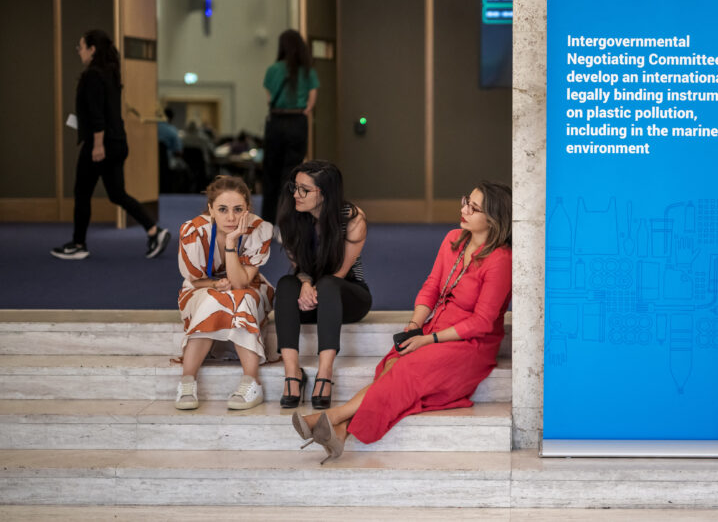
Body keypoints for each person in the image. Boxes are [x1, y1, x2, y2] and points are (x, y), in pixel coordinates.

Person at [292, 181, 512, 464]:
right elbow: (432, 286)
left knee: (405, 370)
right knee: (393, 364)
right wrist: (415, 325)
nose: (464, 209)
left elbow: (482, 322)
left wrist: (428, 340)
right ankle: (341, 431)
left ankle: (332, 417)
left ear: (494, 219)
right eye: (466, 200)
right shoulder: (454, 239)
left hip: (470, 344)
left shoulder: (500, 259)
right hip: (435, 328)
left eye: (474, 207)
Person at [51, 29, 171, 261]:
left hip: (101, 145)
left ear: (92, 49)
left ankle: (78, 244)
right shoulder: (110, 74)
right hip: (117, 142)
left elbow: (97, 116)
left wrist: (96, 145)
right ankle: (154, 231)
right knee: (117, 194)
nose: (78, 52)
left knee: (82, 192)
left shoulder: (93, 76)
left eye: (80, 47)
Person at [274, 160, 372, 410]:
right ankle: (292, 373)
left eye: (304, 190)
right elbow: (299, 268)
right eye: (295, 187)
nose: (296, 194)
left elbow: (340, 272)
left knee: (328, 284)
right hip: (313, 298)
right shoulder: (291, 217)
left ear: (325, 192)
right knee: (286, 284)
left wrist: (313, 287)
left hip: (347, 296)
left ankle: (325, 373)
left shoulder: (352, 218)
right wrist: (305, 284)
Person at [176, 176, 275, 411]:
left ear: (247, 209)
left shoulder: (260, 229)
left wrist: (231, 243)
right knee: (214, 299)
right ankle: (187, 380)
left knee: (241, 298)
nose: (231, 217)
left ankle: (252, 381)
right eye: (222, 209)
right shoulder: (193, 231)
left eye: (238, 209)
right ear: (211, 209)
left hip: (248, 287)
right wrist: (215, 285)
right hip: (203, 288)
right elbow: (195, 279)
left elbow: (241, 283)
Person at [262, 30, 318, 225]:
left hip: (276, 121)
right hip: (297, 122)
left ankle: (267, 224)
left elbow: (269, 99)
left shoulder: (273, 69)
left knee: (270, 174)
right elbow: (311, 102)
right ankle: (288, 224)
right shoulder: (309, 71)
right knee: (292, 174)